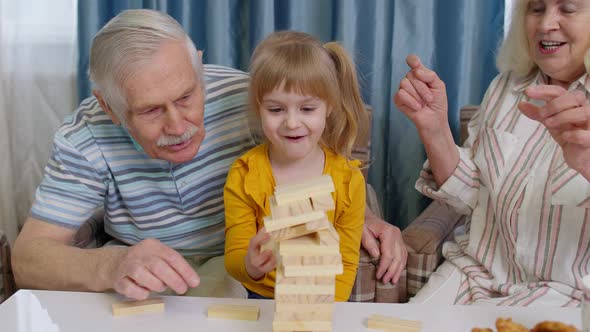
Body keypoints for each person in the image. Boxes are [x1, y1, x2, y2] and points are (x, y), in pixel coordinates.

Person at [11, 9, 406, 301]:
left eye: (187, 96)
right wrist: (112, 265)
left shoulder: (249, 100)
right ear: (109, 107)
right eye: (150, 110)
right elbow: (29, 259)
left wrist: (362, 215)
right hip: (149, 285)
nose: (179, 126)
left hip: (242, 276)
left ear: (198, 64)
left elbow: (312, 161)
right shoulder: (84, 137)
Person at [394, 0, 590, 306]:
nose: (545, 24)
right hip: (473, 274)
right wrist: (434, 130)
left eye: (567, 9)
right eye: (536, 9)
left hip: (568, 294)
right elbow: (472, 195)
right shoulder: (504, 87)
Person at [224, 31, 368, 301]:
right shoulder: (244, 174)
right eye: (276, 110)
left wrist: (323, 311)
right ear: (259, 108)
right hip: (259, 296)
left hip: (323, 299)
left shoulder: (348, 181)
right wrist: (250, 265)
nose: (291, 123)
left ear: (329, 107)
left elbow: (347, 263)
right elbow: (234, 256)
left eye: (307, 109)